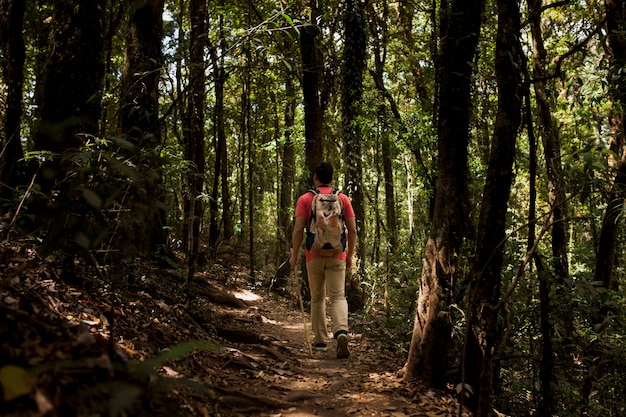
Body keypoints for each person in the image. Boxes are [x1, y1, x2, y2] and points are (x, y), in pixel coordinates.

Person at [289, 162, 357, 359]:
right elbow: (352, 230)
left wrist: (294, 255)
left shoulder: (306, 199)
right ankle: (341, 332)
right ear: (332, 178)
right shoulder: (343, 199)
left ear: (315, 178)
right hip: (337, 255)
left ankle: (319, 341)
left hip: (314, 255)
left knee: (317, 297)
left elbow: (298, 229)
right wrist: (350, 255)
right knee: (338, 296)